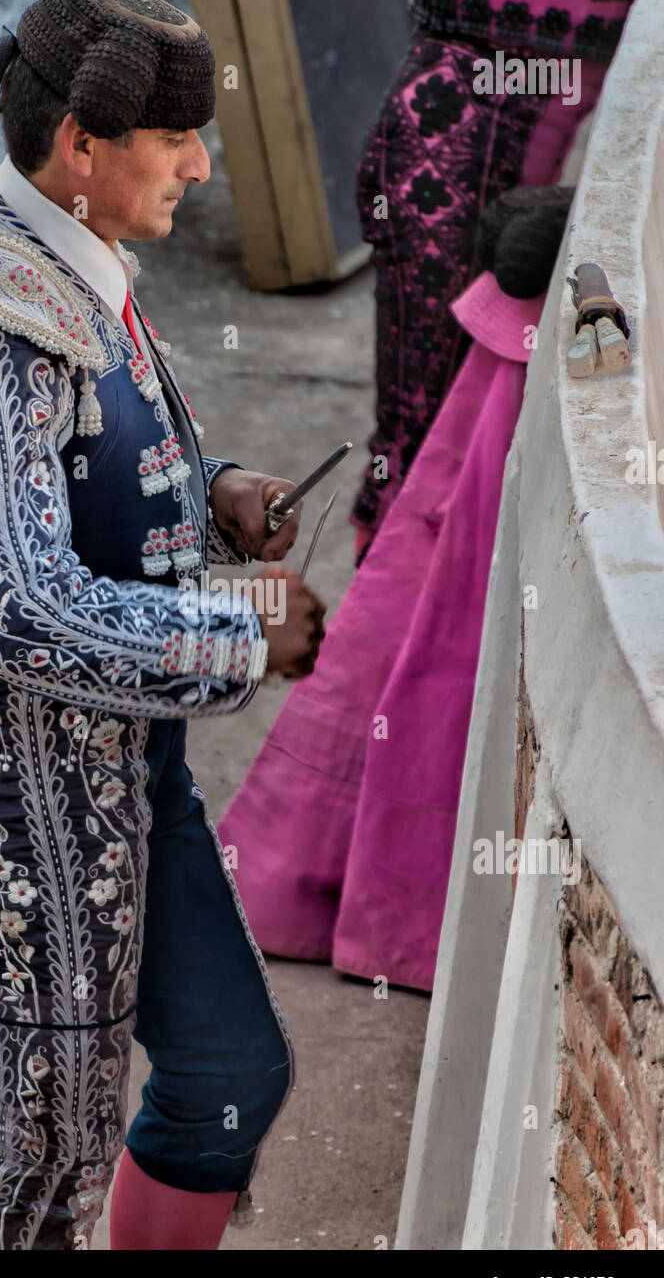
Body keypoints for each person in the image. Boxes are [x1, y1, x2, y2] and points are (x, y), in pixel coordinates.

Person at [0, 0, 326, 1251]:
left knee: (227, 1078)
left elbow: (97, 453)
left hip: (133, 773)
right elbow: (17, 606)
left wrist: (210, 481)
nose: (203, 163)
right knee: (45, 1154)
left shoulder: (67, 247)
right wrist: (239, 633)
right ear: (83, 145)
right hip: (36, 796)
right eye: (176, 141)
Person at [218, 186, 573, 992]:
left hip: (522, 286)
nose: (202, 165)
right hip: (514, 287)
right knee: (436, 581)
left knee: (436, 582)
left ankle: (363, 892)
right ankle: (378, 897)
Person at [350, 0, 658, 562]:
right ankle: (386, 638)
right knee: (426, 432)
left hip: (485, 111)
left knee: (441, 432)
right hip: (451, 117)